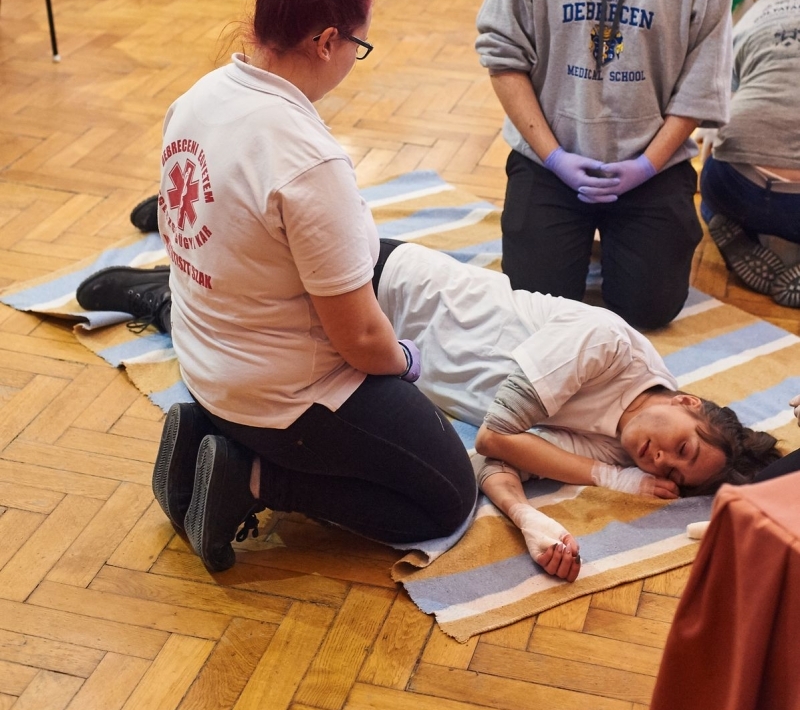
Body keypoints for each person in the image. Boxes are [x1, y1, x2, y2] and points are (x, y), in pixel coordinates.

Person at [105, 0, 478, 573]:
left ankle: (205, 431)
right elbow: (360, 341)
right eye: (357, 47)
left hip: (206, 365)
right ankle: (251, 480)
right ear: (329, 40)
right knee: (448, 499)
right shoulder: (307, 160)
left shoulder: (196, 99)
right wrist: (405, 359)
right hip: (283, 399)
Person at [77, 235, 780, 581]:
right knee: (243, 300)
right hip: (382, 287)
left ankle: (231, 459)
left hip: (381, 366)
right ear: (685, 399)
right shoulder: (608, 343)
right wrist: (616, 483)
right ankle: (164, 291)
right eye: (682, 445)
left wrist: (535, 524)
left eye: (675, 475)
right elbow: (504, 434)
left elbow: (491, 468)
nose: (660, 460)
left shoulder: (621, 445)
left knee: (446, 500)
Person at [475, 0, 733, 331]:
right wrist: (552, 158)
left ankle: (613, 245)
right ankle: (582, 243)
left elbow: (703, 81)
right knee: (537, 306)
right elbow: (502, 57)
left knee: (649, 310)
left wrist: (645, 165)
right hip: (552, 158)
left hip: (651, 162)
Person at [700, 0, 800, 307]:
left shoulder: (753, 15)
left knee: (711, 185)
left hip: (736, 185)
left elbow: (715, 111)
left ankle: (727, 225)